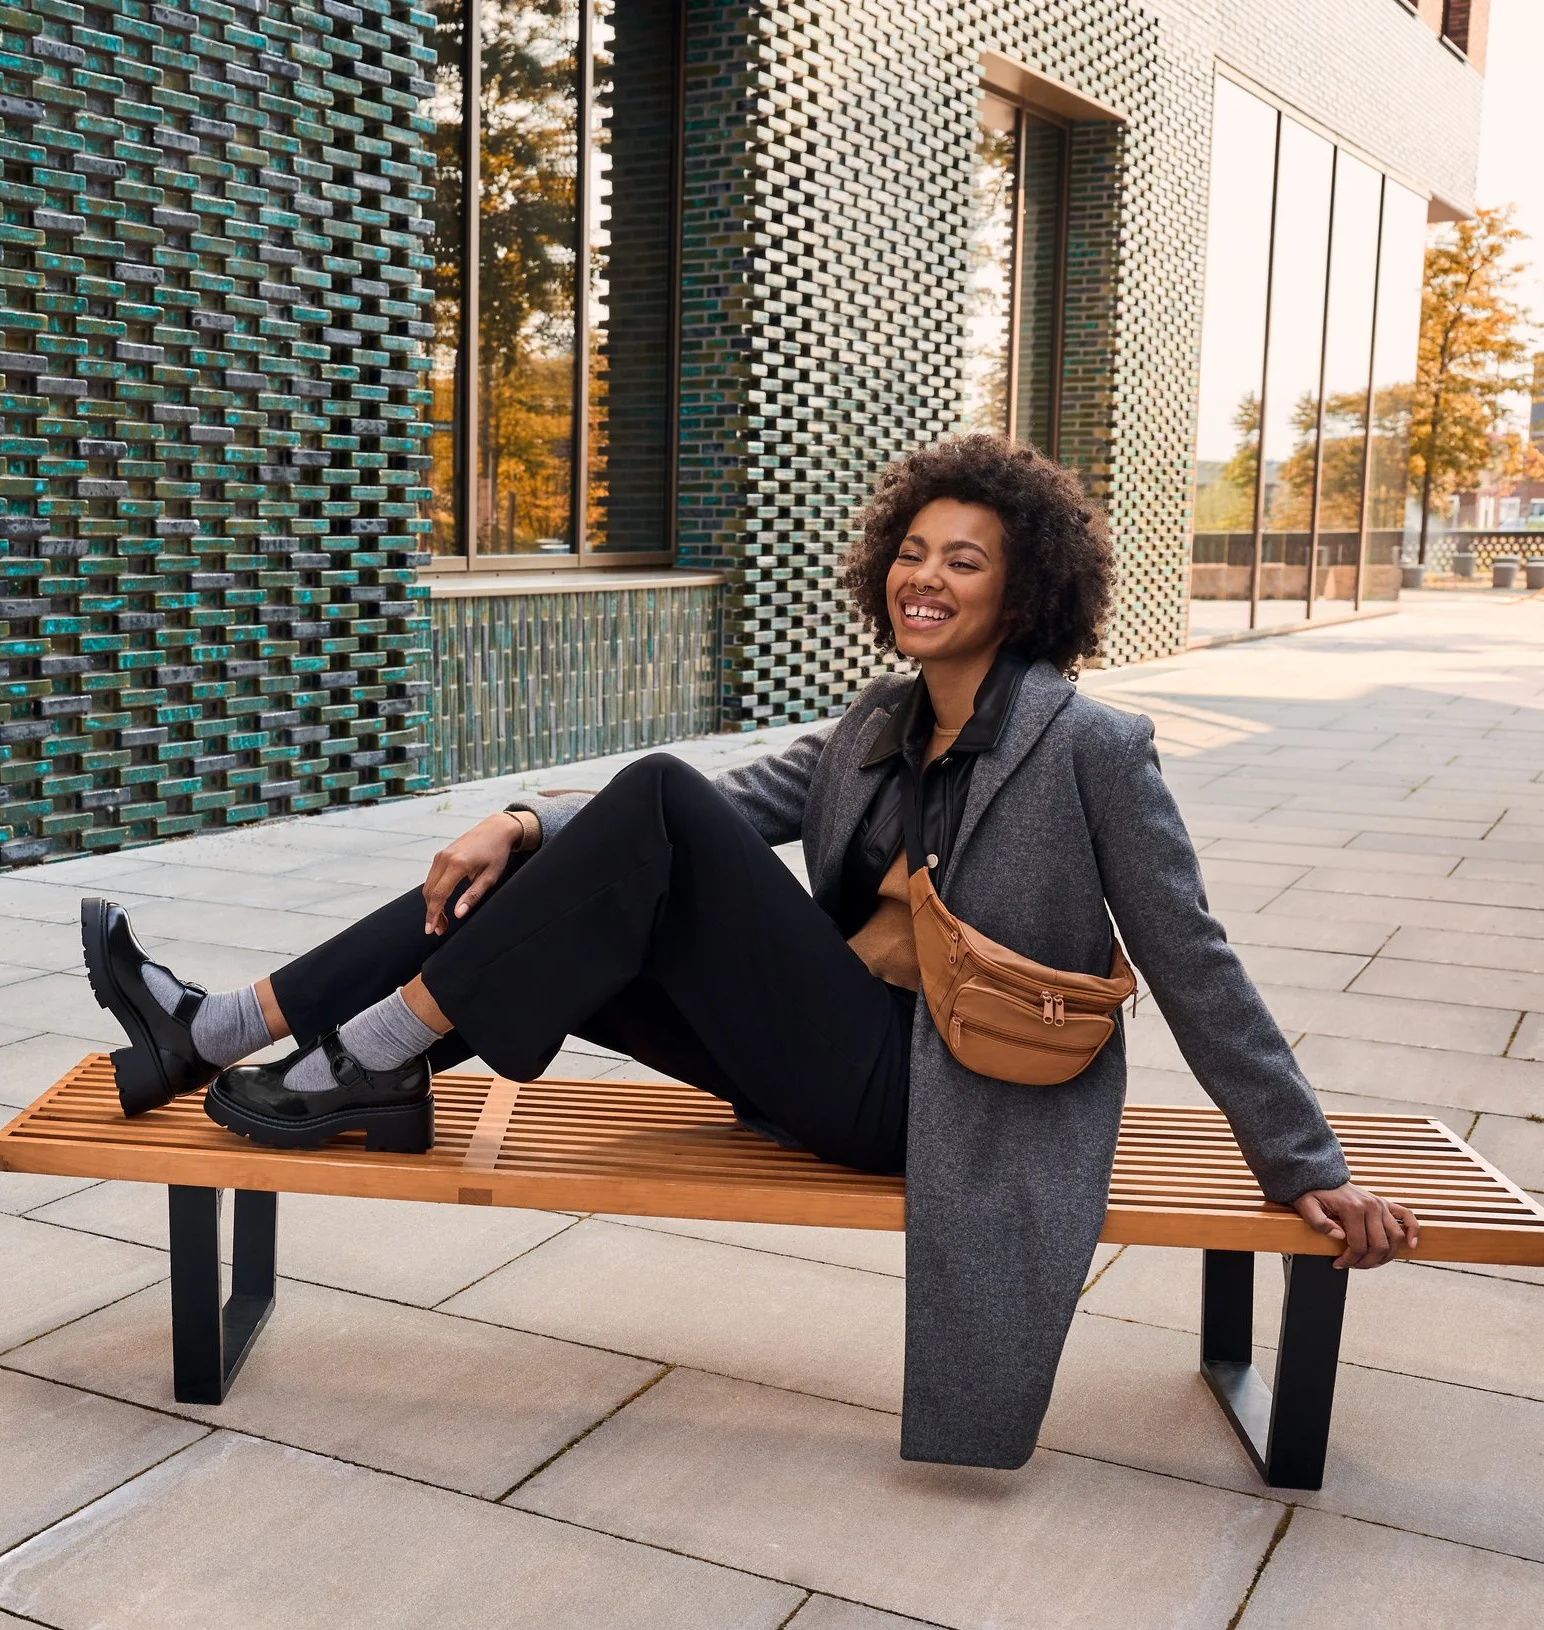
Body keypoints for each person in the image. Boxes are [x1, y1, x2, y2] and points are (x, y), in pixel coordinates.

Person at [81, 430, 1418, 1468]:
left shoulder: (1088, 750)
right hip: (810, 1052)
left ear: (1028, 590)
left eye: (966, 558)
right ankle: (217, 1030)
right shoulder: (876, 727)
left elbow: (1195, 959)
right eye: (915, 550)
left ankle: (366, 1058)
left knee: (647, 797)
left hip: (928, 1092)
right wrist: (522, 816)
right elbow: (705, 824)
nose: (927, 575)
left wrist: (1306, 1165)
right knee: (558, 870)